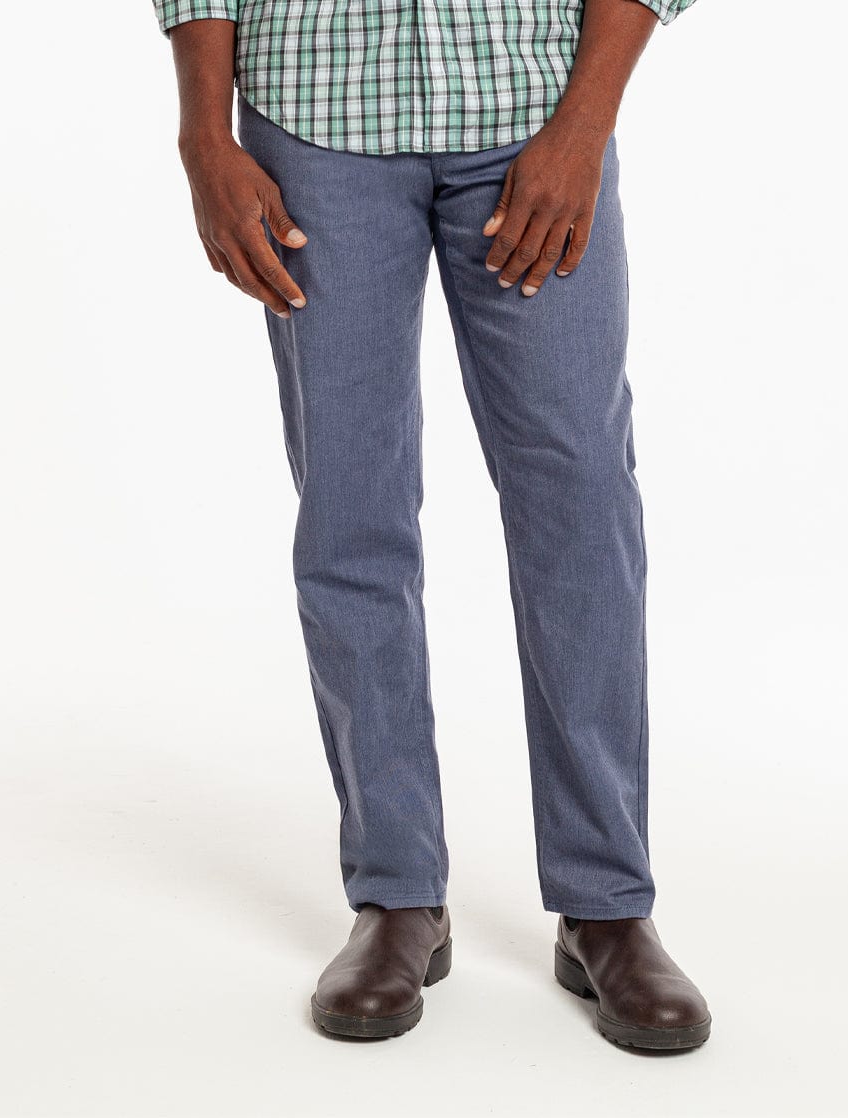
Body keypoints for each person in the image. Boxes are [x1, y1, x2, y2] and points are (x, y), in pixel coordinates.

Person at [157, 0, 711, 1050]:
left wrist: (585, 126)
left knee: (580, 502)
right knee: (350, 511)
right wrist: (203, 136)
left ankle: (605, 902)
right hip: (312, 116)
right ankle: (396, 891)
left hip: (529, 109)